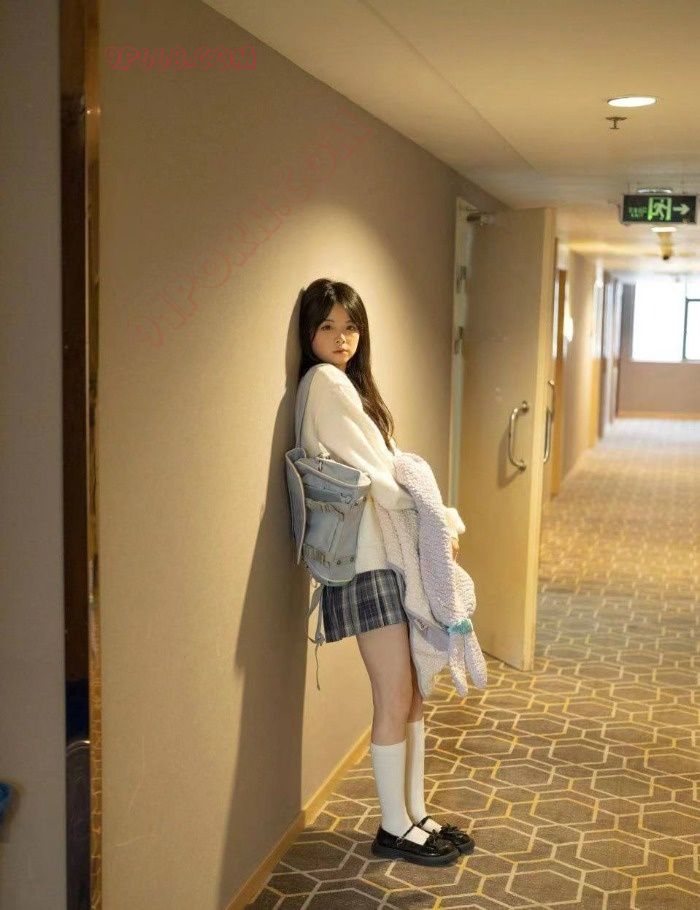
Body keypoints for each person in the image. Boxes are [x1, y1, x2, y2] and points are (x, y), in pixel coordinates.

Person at [296, 278, 475, 867]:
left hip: (382, 559)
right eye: (328, 327)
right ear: (310, 332)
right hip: (365, 562)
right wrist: (437, 516)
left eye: (350, 327)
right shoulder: (325, 384)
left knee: (412, 690)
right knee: (396, 691)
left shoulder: (349, 385)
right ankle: (393, 826)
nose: (341, 338)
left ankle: (415, 814)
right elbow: (382, 477)